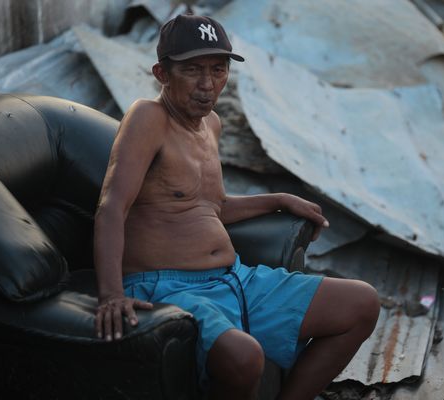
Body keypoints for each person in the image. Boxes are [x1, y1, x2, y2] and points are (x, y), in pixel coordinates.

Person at [93, 14, 380, 400]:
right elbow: (112, 206)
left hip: (235, 279)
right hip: (168, 286)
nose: (208, 84)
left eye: (218, 69)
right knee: (244, 358)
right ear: (162, 73)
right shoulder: (148, 117)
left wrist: (278, 199)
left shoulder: (211, 124)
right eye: (193, 70)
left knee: (361, 303)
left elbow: (210, 206)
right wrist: (111, 294)